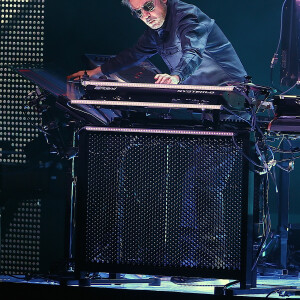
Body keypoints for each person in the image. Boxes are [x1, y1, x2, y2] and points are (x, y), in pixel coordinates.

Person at [68, 0, 247, 86]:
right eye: (139, 12)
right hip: (208, 101)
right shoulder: (156, 29)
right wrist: (95, 72)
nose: (146, 16)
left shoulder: (189, 17)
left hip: (234, 97)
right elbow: (134, 55)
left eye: (149, 7)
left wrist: (176, 76)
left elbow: (193, 51)